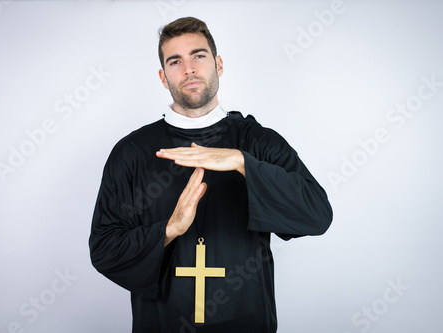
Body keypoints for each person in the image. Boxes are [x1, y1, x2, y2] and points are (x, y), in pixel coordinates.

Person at [89, 16, 333, 333]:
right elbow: (105, 249)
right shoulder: (133, 152)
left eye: (198, 56)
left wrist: (243, 163)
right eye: (175, 61)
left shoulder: (258, 142)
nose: (189, 69)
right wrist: (169, 229)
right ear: (163, 77)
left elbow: (317, 215)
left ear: (218, 64)